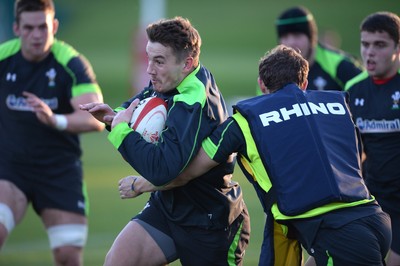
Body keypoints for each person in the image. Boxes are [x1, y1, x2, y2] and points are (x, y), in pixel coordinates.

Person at [123, 45, 392, 265]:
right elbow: (356, 160)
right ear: (305, 83)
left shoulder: (245, 119)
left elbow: (188, 171)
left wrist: (140, 184)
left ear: (261, 84)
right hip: (373, 219)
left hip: (337, 234)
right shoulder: (335, 104)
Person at [80, 16, 250, 266]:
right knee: (118, 261)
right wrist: (113, 118)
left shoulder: (192, 102)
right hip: (168, 208)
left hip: (209, 222)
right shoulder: (175, 77)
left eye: (159, 61)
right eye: (149, 59)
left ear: (187, 63)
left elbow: (162, 170)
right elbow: (138, 106)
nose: (149, 69)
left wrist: (120, 132)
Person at [0, 0, 105, 265]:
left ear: (54, 26)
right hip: (11, 169)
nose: (37, 35)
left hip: (59, 171)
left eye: (43, 28)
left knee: (68, 256)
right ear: (16, 28)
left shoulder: (71, 64)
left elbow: (96, 120)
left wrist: (54, 120)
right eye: (29, 28)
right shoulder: (4, 58)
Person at [345, 11, 400, 266]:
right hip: (370, 196)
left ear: (397, 47)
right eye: (365, 44)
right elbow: (351, 149)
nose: (370, 52)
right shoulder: (353, 90)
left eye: (379, 45)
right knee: (326, 254)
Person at [275, 6, 363, 91]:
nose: (291, 43)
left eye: (297, 36)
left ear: (311, 38)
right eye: (285, 37)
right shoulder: (273, 71)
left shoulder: (340, 66)